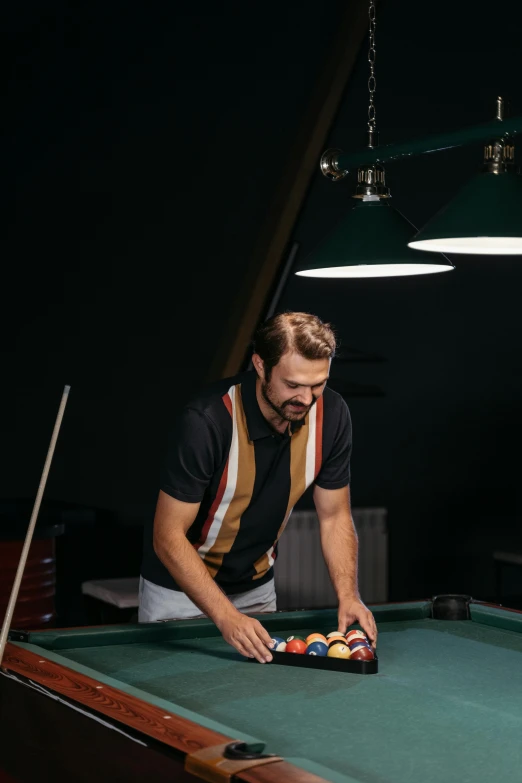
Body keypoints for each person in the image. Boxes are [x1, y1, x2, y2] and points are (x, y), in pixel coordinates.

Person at [139, 311, 377, 662]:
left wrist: (348, 595)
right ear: (260, 365)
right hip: (179, 594)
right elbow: (167, 535)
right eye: (293, 385)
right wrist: (225, 615)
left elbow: (334, 516)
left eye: (317, 384)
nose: (307, 399)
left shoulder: (334, 415)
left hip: (257, 591)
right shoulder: (207, 421)